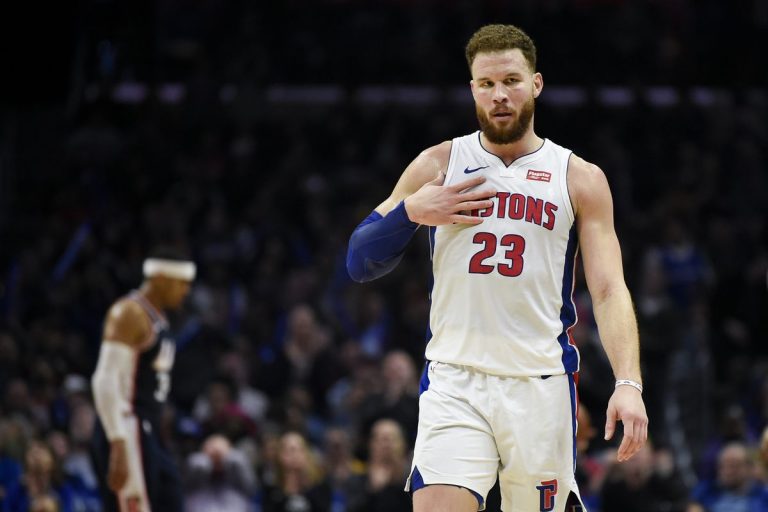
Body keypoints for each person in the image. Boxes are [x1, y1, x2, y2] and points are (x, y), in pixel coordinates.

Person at [346, 24, 648, 512]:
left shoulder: (579, 178)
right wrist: (411, 213)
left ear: (536, 84)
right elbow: (359, 261)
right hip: (455, 379)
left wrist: (628, 383)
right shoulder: (438, 164)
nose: (499, 95)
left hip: (539, 384)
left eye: (511, 81)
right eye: (486, 84)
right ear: (473, 89)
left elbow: (610, 289)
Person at [90, 250, 195, 512]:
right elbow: (105, 380)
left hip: (149, 429)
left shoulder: (160, 317)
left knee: (171, 502)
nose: (186, 291)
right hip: (126, 426)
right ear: (160, 279)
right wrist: (117, 440)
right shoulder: (128, 313)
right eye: (181, 283)